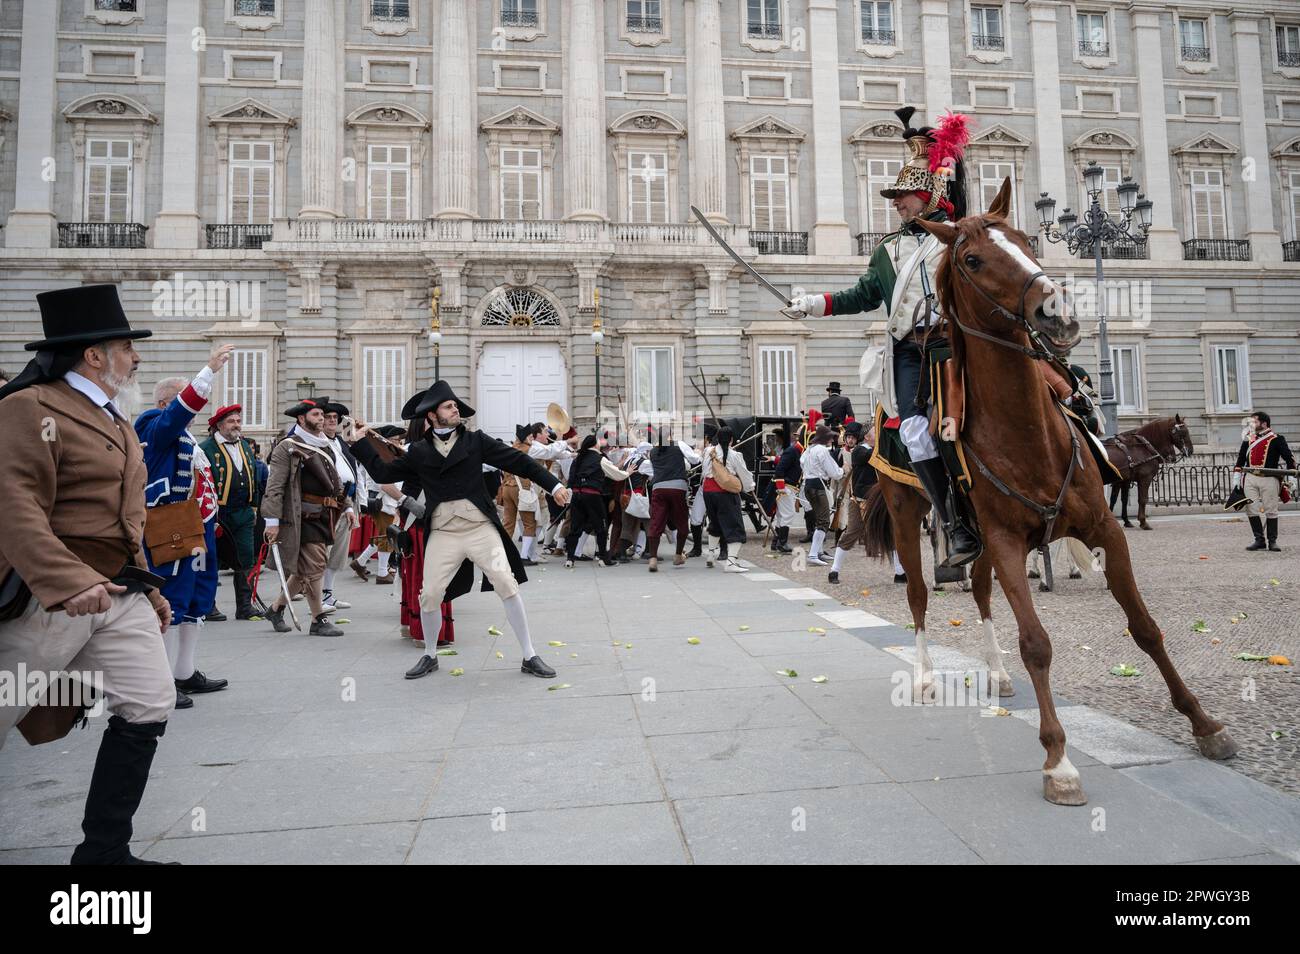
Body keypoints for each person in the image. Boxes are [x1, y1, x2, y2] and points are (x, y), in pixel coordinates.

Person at [0, 283, 177, 864]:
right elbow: (13, 501)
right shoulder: (28, 407)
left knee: (149, 703)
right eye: (127, 346)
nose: (137, 357)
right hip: (46, 596)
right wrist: (65, 579)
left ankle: (103, 855)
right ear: (94, 354)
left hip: (115, 589)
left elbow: (129, 516)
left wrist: (146, 585)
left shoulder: (116, 419)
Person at [786, 105, 980, 568]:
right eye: (895, 197)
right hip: (910, 350)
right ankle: (954, 520)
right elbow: (862, 295)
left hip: (953, 344)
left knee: (968, 421)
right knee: (915, 432)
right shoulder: (887, 251)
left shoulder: (956, 237)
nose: (896, 203)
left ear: (930, 194)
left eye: (904, 196)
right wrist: (812, 304)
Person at [349, 381, 572, 679]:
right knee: (429, 594)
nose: (455, 409)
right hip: (443, 532)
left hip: (480, 529)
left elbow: (519, 461)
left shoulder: (476, 441)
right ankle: (430, 654)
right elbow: (383, 472)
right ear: (431, 415)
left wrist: (554, 484)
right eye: (448, 406)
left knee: (506, 584)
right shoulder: (418, 451)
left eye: (455, 405)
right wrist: (360, 442)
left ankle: (529, 655)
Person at [134, 345, 236, 708]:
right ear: (167, 402)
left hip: (198, 528)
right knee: (172, 600)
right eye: (184, 399)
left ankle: (184, 671)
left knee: (198, 598)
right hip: (170, 525)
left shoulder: (184, 436)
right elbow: (178, 414)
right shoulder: (153, 424)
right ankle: (160, 680)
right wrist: (207, 371)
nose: (194, 409)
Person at [261, 399, 347, 637]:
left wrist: (347, 506)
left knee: (303, 570)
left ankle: (276, 609)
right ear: (301, 419)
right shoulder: (286, 447)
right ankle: (318, 618)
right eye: (317, 414)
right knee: (316, 566)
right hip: (300, 518)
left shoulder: (324, 445)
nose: (322, 418)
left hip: (323, 515)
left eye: (322, 414)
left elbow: (335, 482)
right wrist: (272, 521)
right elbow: (275, 486)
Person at [200, 404, 262, 621]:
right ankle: (207, 605)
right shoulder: (206, 448)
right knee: (212, 559)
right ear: (219, 425)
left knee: (246, 557)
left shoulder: (244, 445)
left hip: (243, 512)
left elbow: (253, 476)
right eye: (231, 421)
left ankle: (245, 606)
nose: (236, 425)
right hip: (218, 514)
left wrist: (254, 506)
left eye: (238, 421)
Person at [311, 400, 360, 608]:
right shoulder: (316, 442)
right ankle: (316, 598)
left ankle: (328, 593)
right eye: (327, 417)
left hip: (345, 501)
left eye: (334, 418)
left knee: (338, 552)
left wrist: (351, 505)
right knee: (323, 552)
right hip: (324, 503)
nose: (331, 421)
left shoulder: (341, 443)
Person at [563, 434, 629, 568]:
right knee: (601, 527)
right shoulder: (599, 459)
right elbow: (616, 474)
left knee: (575, 527)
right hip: (592, 495)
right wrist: (628, 472)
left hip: (577, 495)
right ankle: (603, 559)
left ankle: (570, 559)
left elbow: (571, 479)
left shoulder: (578, 459)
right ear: (594, 444)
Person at [1234, 410, 1296, 552]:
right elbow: (1240, 459)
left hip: (1269, 478)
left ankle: (1272, 541)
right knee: (1251, 509)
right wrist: (1236, 477)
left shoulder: (1277, 439)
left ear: (1264, 423)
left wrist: (1291, 478)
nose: (1252, 424)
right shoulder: (1248, 439)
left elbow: (1289, 458)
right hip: (1250, 478)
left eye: (1255, 422)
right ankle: (1259, 540)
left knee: (1271, 510)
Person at [645, 426, 702, 572]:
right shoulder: (679, 445)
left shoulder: (652, 451)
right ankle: (678, 555)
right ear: (670, 434)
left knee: (656, 523)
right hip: (678, 487)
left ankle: (652, 558)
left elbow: (652, 471)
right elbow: (695, 460)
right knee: (682, 521)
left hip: (658, 487)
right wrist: (699, 450)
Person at [701, 426, 756, 572]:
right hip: (725, 492)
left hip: (708, 492)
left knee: (715, 522)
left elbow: (704, 470)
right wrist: (751, 487)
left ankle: (711, 555)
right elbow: (744, 475)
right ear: (731, 439)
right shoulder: (735, 455)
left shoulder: (708, 451)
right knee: (735, 526)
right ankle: (731, 562)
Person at [799, 425, 844, 566]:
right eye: (830, 436)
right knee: (824, 521)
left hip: (808, 485)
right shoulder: (822, 451)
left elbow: (802, 463)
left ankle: (818, 552)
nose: (832, 439)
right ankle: (813, 554)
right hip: (818, 486)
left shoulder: (809, 450)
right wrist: (843, 470)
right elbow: (834, 473)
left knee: (820, 519)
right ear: (824, 438)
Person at [765, 427, 801, 554]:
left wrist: (774, 459)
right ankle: (782, 543)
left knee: (781, 515)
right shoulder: (793, 450)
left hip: (789, 486)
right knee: (788, 514)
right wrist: (781, 489)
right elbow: (780, 469)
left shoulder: (796, 451)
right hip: (785, 487)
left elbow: (785, 461)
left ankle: (776, 542)